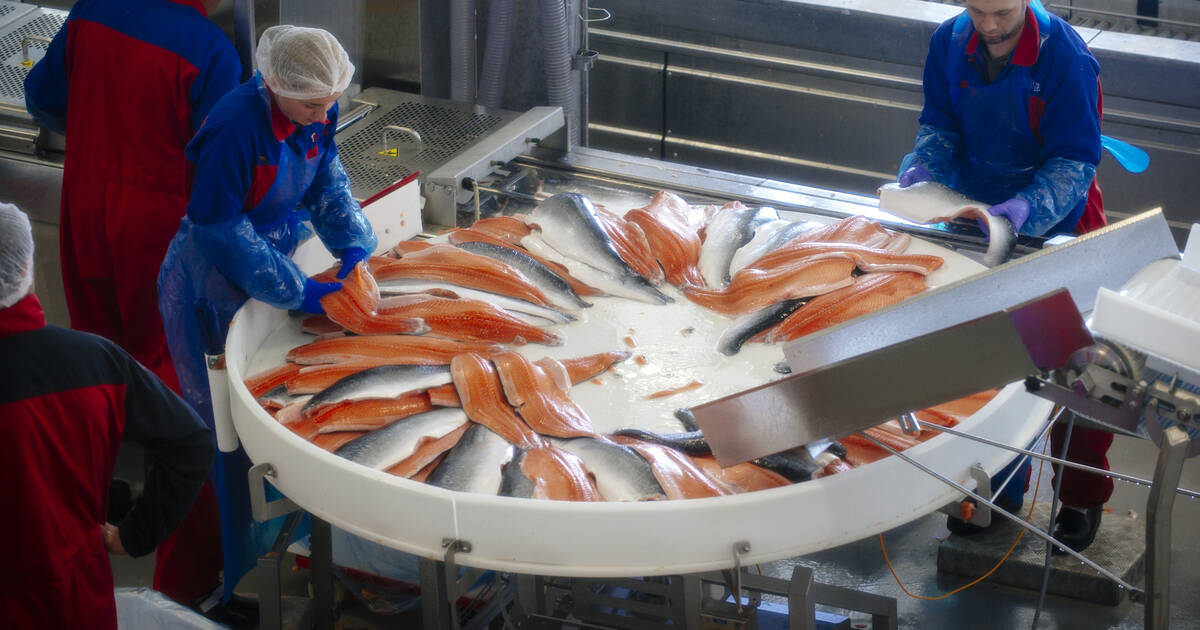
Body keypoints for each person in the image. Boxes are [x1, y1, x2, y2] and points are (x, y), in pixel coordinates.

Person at [23, 0, 240, 604]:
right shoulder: (209, 51)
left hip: (85, 202)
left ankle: (74, 525)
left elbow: (41, 98)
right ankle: (181, 577)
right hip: (158, 227)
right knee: (177, 393)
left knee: (94, 375)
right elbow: (225, 166)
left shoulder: (92, 12)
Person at [158, 24, 377, 601]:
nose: (323, 112)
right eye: (311, 103)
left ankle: (303, 560)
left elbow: (325, 178)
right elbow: (219, 229)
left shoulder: (317, 108)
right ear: (275, 83)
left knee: (288, 419)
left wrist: (350, 240)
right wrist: (298, 291)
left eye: (332, 101)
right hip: (211, 288)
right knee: (224, 441)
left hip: (273, 264)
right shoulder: (234, 127)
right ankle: (226, 581)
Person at [898, 0, 1110, 551]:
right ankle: (992, 492)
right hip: (976, 221)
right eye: (978, 11)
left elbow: (1074, 162)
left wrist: (1025, 210)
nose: (989, 26)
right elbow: (939, 124)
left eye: (1000, 12)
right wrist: (926, 172)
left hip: (1056, 225)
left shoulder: (1066, 58)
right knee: (985, 366)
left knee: (1075, 372)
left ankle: (1082, 495)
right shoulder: (949, 41)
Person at [0, 202, 214, 629]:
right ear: (27, 266)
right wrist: (134, 533)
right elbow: (191, 442)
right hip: (75, 593)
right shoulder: (95, 361)